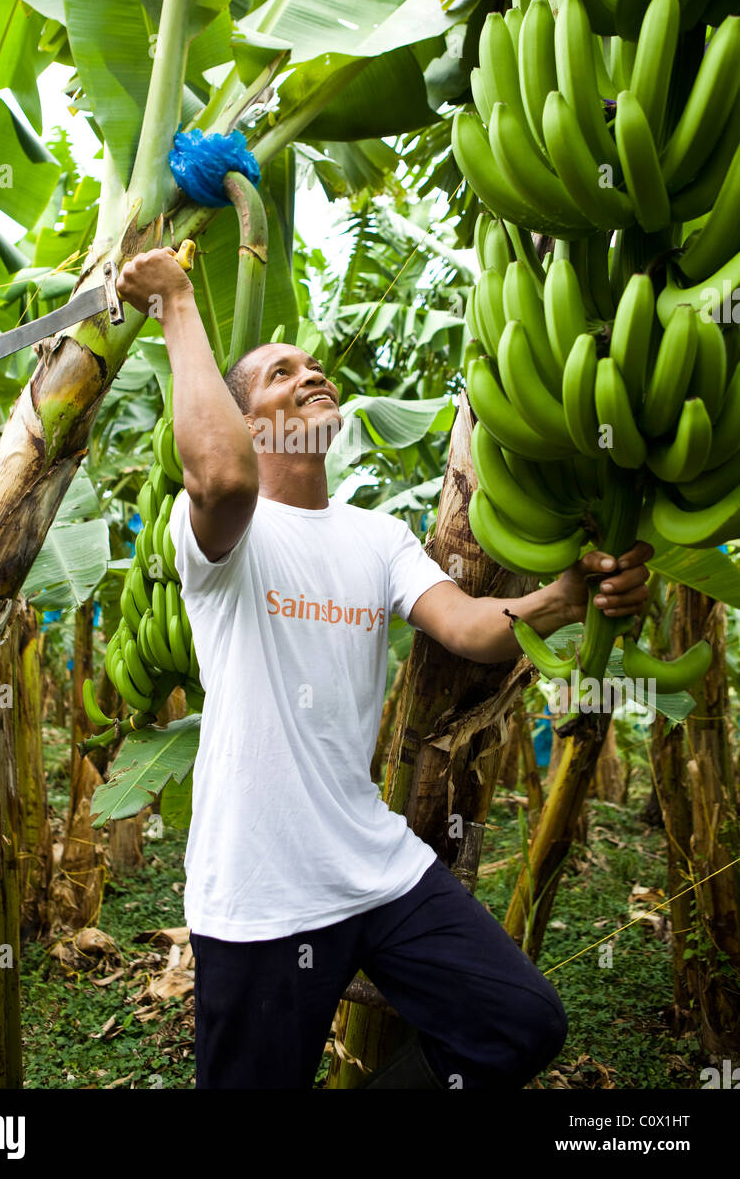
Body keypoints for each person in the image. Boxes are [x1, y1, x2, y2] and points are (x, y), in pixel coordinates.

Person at [116, 247, 654, 1091]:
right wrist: (176, 302)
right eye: (279, 374)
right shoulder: (220, 538)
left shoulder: (377, 535)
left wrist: (566, 597)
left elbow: (471, 628)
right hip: (260, 887)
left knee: (520, 1025)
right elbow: (218, 475)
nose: (311, 374)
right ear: (246, 421)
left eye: (315, 366)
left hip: (374, 867)